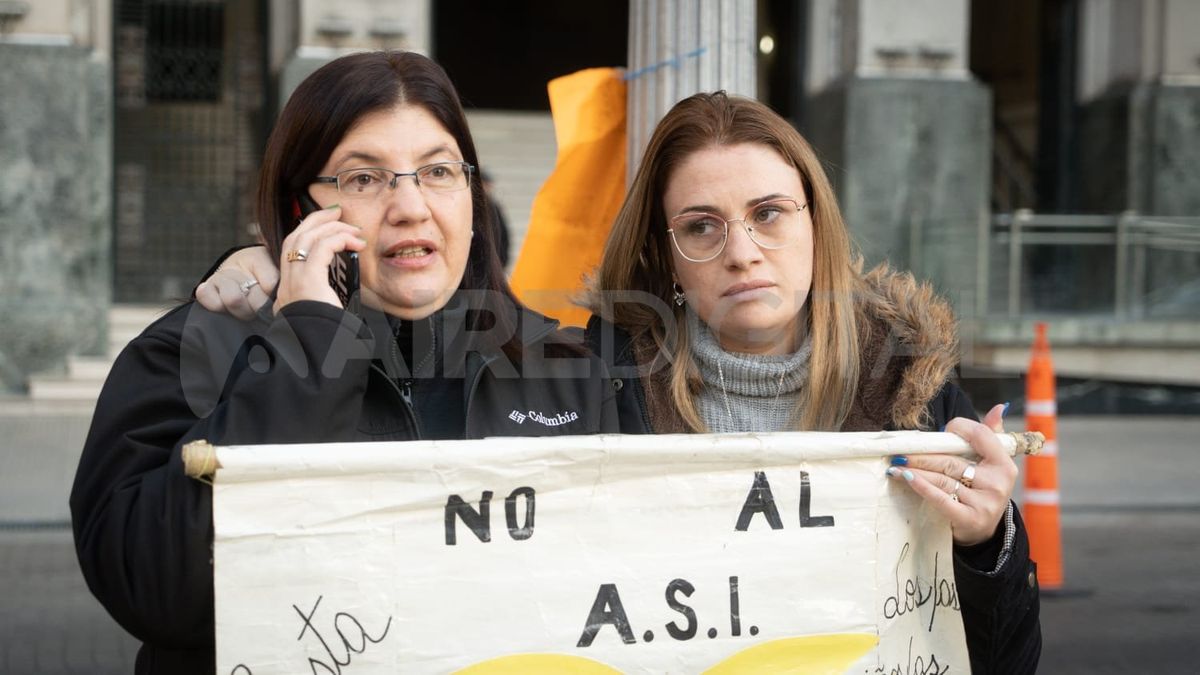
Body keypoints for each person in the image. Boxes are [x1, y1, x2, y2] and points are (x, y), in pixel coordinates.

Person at [202, 92, 1040, 673]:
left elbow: (1005, 660)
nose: (742, 251)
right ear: (667, 258)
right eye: (701, 227)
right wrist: (268, 264)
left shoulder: (913, 392)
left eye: (768, 214)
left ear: (816, 224)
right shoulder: (596, 384)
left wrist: (989, 546)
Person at [70, 51, 618, 675]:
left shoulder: (566, 368)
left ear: (472, 197)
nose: (411, 207)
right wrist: (308, 349)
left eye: (438, 171)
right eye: (363, 179)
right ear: (300, 212)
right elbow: (155, 591)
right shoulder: (188, 353)